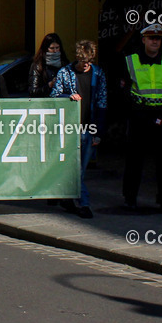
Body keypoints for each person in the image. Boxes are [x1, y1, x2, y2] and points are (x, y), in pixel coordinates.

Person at [120, 23, 162, 213]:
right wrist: (135, 110)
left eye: (158, 39)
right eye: (152, 38)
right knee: (135, 159)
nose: (155, 42)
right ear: (143, 39)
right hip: (139, 115)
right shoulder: (131, 60)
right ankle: (130, 200)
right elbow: (124, 89)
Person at [51, 40, 106, 218]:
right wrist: (68, 96)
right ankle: (84, 203)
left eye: (89, 61)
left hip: (89, 127)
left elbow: (102, 102)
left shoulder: (98, 73)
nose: (86, 65)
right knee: (73, 168)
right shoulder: (65, 72)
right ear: (77, 58)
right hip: (69, 127)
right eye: (83, 61)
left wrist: (98, 132)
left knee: (80, 169)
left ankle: (68, 197)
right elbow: (54, 97)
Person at [29, 33, 68, 98]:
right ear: (46, 49)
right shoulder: (38, 65)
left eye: (57, 48)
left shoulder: (64, 63)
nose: (55, 51)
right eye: (52, 48)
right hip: (45, 101)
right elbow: (33, 91)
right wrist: (49, 85)